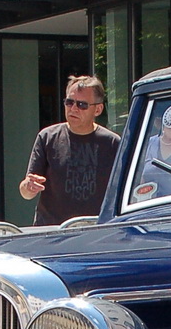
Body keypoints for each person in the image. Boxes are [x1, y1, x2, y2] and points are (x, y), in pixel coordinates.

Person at [20, 75, 121, 226]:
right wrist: (29, 187)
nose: (73, 109)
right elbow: (25, 191)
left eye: (82, 105)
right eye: (69, 102)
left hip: (96, 231)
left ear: (98, 109)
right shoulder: (47, 137)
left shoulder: (112, 143)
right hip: (52, 232)